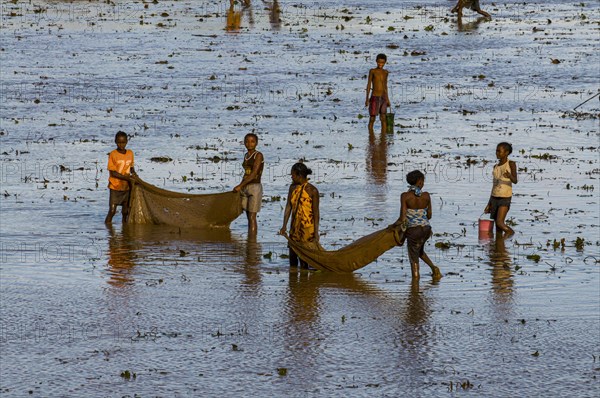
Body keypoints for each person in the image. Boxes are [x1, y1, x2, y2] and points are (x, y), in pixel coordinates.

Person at [391, 170, 441, 280]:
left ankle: (415, 284)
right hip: (426, 229)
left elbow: (402, 218)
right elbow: (429, 215)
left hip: (414, 231)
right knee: (420, 251)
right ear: (420, 182)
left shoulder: (405, 196)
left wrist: (392, 226)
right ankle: (434, 269)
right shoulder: (427, 196)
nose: (423, 183)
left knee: (413, 258)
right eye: (423, 181)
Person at [279, 163, 320, 269]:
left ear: (299, 175)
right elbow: (288, 207)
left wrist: (316, 232)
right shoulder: (292, 188)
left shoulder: (313, 190)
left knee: (304, 260)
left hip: (307, 229)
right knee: (292, 258)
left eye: (292, 175)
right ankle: (293, 284)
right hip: (294, 227)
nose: (291, 177)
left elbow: (316, 213)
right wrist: (284, 226)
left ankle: (304, 283)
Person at [233, 133, 264, 235]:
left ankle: (252, 242)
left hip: (254, 188)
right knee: (248, 216)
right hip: (245, 187)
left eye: (252, 141)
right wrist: (241, 185)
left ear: (256, 143)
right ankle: (250, 238)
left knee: (252, 217)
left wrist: (240, 186)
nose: (249, 144)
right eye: (247, 141)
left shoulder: (258, 155)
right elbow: (246, 174)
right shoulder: (246, 155)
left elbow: (254, 174)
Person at [485, 142, 518, 236]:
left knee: (500, 222)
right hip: (494, 197)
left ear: (507, 152)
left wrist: (509, 176)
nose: (497, 153)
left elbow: (515, 180)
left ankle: (510, 235)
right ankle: (499, 247)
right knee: (497, 227)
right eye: (496, 151)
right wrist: (489, 204)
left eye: (499, 151)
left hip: (505, 197)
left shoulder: (511, 164)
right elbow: (494, 186)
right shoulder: (495, 166)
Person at [105, 131, 137, 224]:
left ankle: (125, 231)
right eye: (119, 142)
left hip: (127, 187)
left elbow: (131, 168)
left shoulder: (130, 153)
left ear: (127, 142)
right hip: (115, 186)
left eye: (123, 142)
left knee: (125, 212)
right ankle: (108, 228)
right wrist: (127, 178)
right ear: (115, 141)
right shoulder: (113, 154)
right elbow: (113, 173)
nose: (121, 145)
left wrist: (135, 175)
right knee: (112, 211)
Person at [365, 53, 391, 134]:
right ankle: (371, 136)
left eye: (382, 62)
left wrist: (387, 99)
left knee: (383, 118)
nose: (380, 64)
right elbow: (369, 85)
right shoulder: (372, 71)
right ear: (376, 61)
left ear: (385, 62)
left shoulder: (385, 72)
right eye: (379, 62)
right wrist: (367, 99)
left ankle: (383, 138)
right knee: (372, 118)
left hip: (383, 97)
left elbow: (385, 86)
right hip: (374, 97)